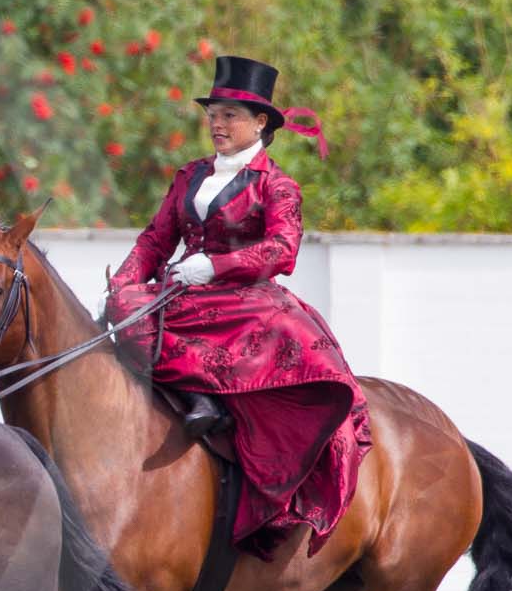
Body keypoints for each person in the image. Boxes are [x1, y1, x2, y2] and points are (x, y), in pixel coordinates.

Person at [104, 55, 371, 555]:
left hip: (244, 297)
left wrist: (215, 266)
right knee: (127, 318)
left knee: (284, 343)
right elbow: (156, 239)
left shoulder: (277, 185)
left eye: (229, 116)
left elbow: (282, 251)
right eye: (213, 115)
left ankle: (219, 411)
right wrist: (126, 282)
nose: (217, 125)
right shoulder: (189, 176)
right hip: (183, 290)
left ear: (259, 123)